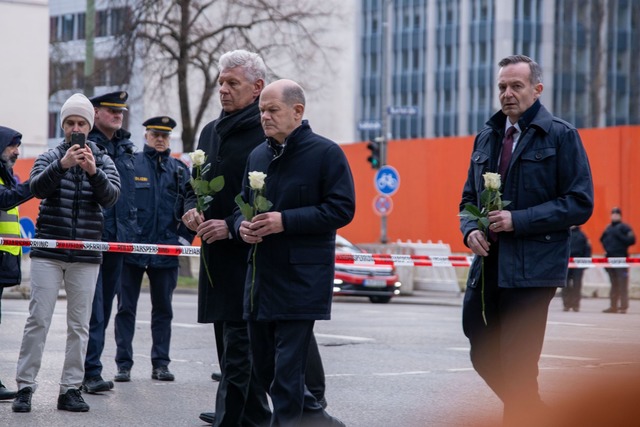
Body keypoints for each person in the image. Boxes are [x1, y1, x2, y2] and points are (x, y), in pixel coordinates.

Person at [458, 55, 594, 426]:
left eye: (516, 86)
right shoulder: (487, 136)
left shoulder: (561, 135)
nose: (507, 93)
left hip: (534, 269)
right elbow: (468, 200)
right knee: (481, 349)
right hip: (488, 266)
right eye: (502, 86)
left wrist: (518, 220)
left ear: (537, 89)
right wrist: (470, 229)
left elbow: (580, 203)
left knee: (518, 364)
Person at [234, 78, 355, 427]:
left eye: (272, 110)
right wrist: (241, 226)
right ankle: (319, 420)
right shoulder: (257, 154)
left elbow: (342, 209)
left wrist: (284, 221)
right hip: (260, 279)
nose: (264, 118)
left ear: (297, 111)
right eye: (261, 111)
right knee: (267, 368)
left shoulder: (326, 153)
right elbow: (241, 207)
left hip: (302, 280)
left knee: (286, 375)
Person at [12, 93, 120, 413]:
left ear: (89, 126)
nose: (76, 128)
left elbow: (111, 197)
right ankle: (25, 387)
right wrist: (62, 165)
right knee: (38, 320)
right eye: (70, 123)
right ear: (63, 127)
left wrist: (92, 171)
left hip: (86, 255)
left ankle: (71, 388)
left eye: (81, 123)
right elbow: (37, 189)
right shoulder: (49, 156)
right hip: (47, 251)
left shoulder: (102, 159)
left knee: (79, 325)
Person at [182, 49, 273, 427]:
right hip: (215, 259)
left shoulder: (266, 132)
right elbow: (193, 185)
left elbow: (265, 200)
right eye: (220, 82)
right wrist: (190, 209)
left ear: (257, 88)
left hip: (248, 259)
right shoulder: (209, 130)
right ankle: (254, 416)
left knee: (239, 351)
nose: (223, 89)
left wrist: (231, 226)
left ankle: (231, 418)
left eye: (232, 83)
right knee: (228, 350)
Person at [113, 116, 193, 382]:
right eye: (155, 134)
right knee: (125, 309)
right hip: (132, 250)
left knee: (163, 309)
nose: (160, 139)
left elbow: (192, 208)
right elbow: (119, 205)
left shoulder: (180, 170)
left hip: (166, 251)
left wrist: (183, 241)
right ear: (146, 135)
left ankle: (161, 364)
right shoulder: (131, 164)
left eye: (165, 135)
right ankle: (123, 364)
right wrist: (123, 238)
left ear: (170, 139)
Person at [83, 90, 137, 394]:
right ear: (95, 112)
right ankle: (89, 372)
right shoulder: (87, 145)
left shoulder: (126, 147)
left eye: (121, 111)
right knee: (93, 313)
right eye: (111, 110)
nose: (118, 115)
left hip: (117, 241)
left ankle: (89, 368)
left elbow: (128, 198)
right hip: (92, 238)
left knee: (103, 311)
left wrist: (131, 234)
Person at [0, 126, 33, 401]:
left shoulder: (6, 175)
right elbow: (6, 200)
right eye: (12, 145)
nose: (17, 151)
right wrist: (37, 184)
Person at [600, 207, 636, 314]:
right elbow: (602, 239)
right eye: (613, 214)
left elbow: (632, 240)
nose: (614, 216)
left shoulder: (625, 228)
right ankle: (613, 306)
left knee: (622, 284)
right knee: (614, 284)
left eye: (616, 214)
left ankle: (623, 306)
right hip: (609, 259)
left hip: (621, 259)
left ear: (620, 216)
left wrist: (618, 234)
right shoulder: (608, 228)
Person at [561, 226, 591, 312]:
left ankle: (575, 305)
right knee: (565, 284)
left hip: (578, 264)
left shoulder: (582, 235)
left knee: (577, 285)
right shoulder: (565, 234)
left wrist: (585, 263)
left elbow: (587, 250)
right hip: (566, 263)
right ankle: (566, 304)